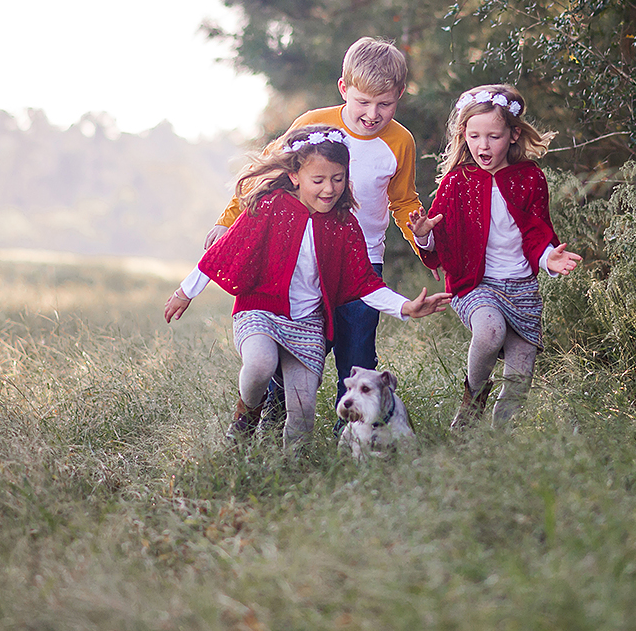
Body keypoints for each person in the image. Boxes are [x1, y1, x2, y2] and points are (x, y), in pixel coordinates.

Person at [165, 124, 450, 449]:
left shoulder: (344, 224)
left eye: (338, 179)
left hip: (308, 323)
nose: (329, 189)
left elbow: (364, 283)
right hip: (261, 310)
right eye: (319, 180)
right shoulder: (271, 207)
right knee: (259, 365)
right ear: (296, 175)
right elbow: (223, 252)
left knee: (302, 414)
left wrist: (405, 306)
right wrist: (184, 292)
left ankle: (288, 470)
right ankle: (246, 417)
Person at [205, 37, 424, 435]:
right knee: (298, 344)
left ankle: (354, 436)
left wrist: (420, 234)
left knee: (357, 350)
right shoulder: (312, 125)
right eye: (363, 102)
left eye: (385, 105)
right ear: (344, 89)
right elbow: (269, 175)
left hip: (362, 262)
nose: (373, 115)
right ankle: (271, 419)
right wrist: (228, 218)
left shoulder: (400, 141)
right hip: (301, 257)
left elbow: (403, 200)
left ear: (399, 97)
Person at [407, 84, 582, 429]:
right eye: (474, 136)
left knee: (519, 379)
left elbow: (535, 233)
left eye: (494, 136)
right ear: (463, 134)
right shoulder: (457, 182)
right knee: (489, 332)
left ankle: (497, 442)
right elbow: (439, 242)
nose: (483, 146)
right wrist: (423, 234)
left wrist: (548, 259)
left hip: (521, 288)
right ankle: (472, 403)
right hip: (475, 285)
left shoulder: (530, 178)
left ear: (514, 135)